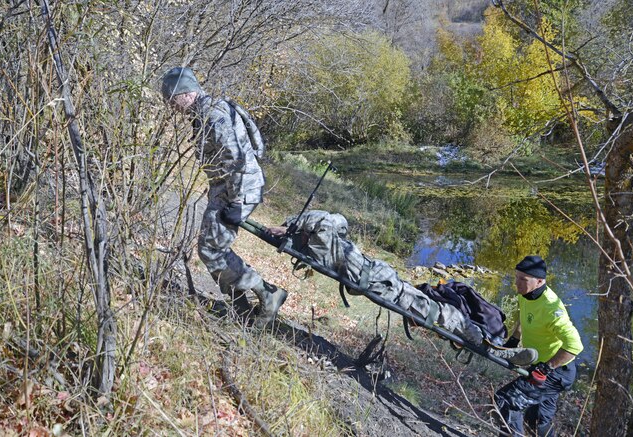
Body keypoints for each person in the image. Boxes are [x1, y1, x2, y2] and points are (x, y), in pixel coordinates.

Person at [268, 210, 538, 366]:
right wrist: (290, 228)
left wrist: (289, 227)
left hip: (385, 279)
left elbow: (334, 220)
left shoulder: (327, 241)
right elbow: (330, 221)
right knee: (447, 316)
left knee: (446, 311)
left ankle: (497, 345)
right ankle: (495, 349)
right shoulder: (325, 243)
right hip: (385, 286)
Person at [160, 66, 287, 326]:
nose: (170, 106)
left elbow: (235, 156)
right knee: (212, 247)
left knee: (210, 248)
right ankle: (240, 308)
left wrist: (237, 201)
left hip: (239, 190)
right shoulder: (204, 112)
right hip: (227, 188)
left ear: (184, 93)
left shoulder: (212, 113)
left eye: (171, 99)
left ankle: (267, 293)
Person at [494, 255, 584, 436]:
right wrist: (514, 339)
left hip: (556, 371)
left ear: (540, 281)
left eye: (523, 280)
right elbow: (523, 315)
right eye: (516, 277)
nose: (517, 283)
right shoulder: (526, 294)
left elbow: (574, 345)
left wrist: (546, 368)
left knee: (506, 401)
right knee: (536, 422)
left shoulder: (551, 308)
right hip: (541, 366)